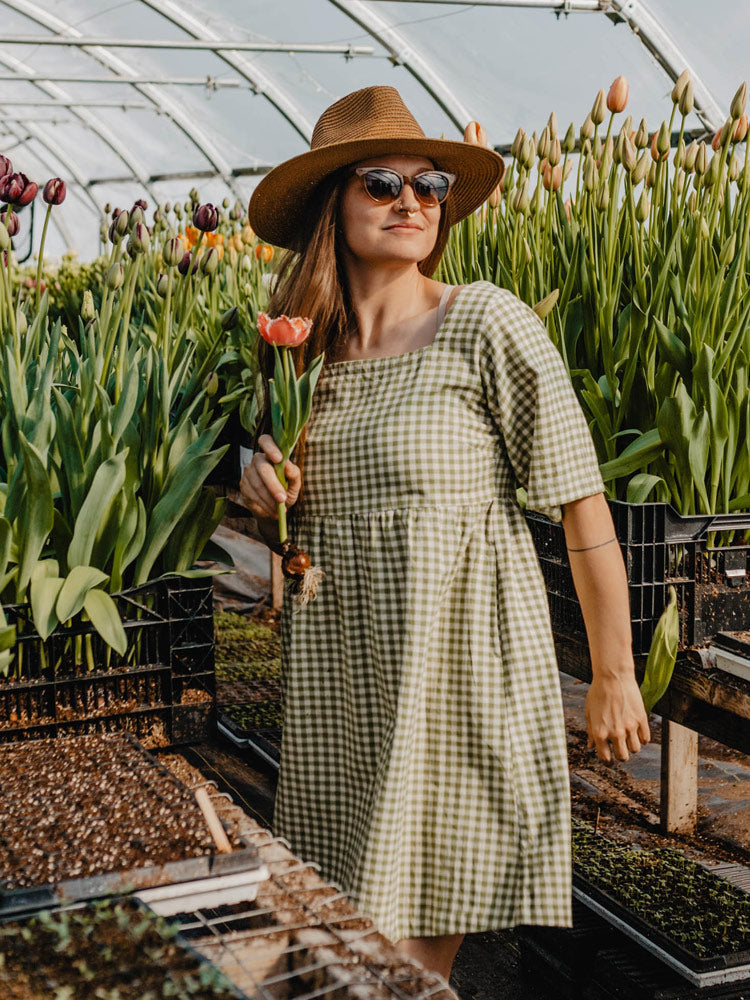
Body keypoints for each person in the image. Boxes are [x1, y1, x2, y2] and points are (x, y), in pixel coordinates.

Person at [240, 85, 650, 981]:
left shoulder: (485, 322)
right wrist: (257, 484)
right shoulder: (296, 357)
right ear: (331, 205)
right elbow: (271, 524)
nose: (412, 203)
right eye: (382, 183)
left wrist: (614, 673)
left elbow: (583, 504)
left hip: (461, 682)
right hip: (339, 695)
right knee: (349, 957)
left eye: (429, 187)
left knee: (396, 971)